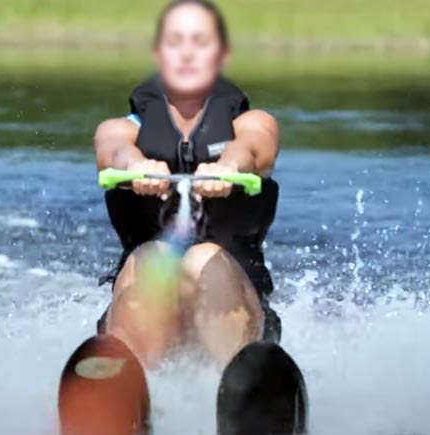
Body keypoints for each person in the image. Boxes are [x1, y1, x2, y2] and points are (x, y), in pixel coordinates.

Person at [93, 0, 281, 368]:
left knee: (201, 258)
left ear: (220, 53)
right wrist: (137, 165)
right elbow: (112, 151)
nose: (187, 53)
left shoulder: (253, 122)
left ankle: (236, 387)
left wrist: (227, 167)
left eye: (200, 41)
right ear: (159, 53)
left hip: (233, 302)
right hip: (146, 306)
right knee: (154, 256)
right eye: (175, 41)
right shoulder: (121, 128)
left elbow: (257, 148)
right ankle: (132, 388)